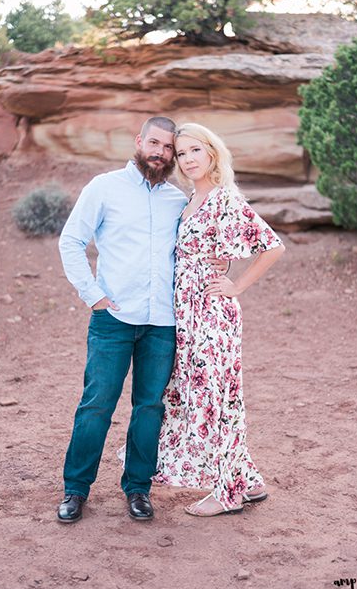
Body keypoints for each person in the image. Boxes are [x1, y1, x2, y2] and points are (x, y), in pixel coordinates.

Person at [55, 116, 187, 523]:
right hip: (113, 319)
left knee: (149, 408)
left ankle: (138, 489)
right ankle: (76, 490)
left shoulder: (179, 200)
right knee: (97, 405)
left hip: (162, 322)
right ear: (139, 141)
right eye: (155, 143)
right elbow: (72, 240)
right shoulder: (104, 187)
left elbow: (197, 251)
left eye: (168, 148)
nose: (160, 153)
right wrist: (93, 296)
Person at [152, 123, 284, 516]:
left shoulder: (223, 198)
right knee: (205, 397)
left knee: (216, 400)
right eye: (181, 154)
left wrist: (237, 284)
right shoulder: (192, 198)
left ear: (212, 152)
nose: (188, 159)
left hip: (212, 317)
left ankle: (227, 494)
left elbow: (272, 246)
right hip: (188, 316)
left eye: (195, 150)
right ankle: (247, 480)